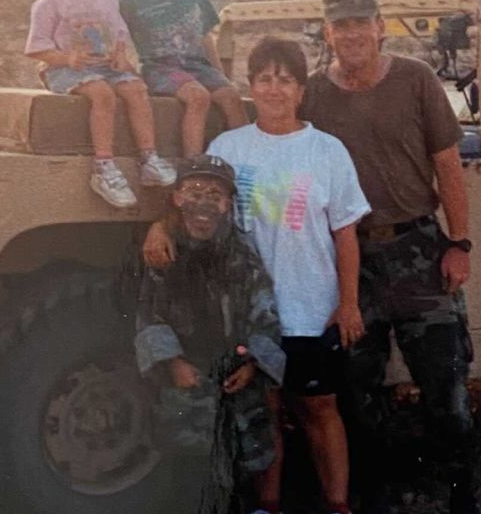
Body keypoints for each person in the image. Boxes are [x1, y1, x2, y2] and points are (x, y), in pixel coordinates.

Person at [144, 37, 371, 514]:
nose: (274, 89)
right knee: (262, 411)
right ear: (251, 87)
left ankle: (338, 503)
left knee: (318, 409)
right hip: (247, 315)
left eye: (285, 79)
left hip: (311, 307)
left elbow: (346, 235)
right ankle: (267, 502)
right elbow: (194, 206)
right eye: (264, 79)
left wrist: (347, 303)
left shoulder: (327, 151)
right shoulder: (229, 146)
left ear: (301, 90)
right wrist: (156, 226)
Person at [301, 0, 479, 514]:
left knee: (445, 387)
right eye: (340, 25)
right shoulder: (313, 93)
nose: (351, 33)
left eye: (361, 23)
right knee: (359, 391)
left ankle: (461, 493)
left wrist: (460, 243)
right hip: (351, 262)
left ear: (380, 27)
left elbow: (447, 165)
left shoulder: (416, 79)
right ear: (328, 33)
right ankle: (374, 491)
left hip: (420, 251)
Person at [134, 154, 285, 514]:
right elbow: (148, 312)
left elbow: (265, 310)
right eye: (194, 190)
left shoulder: (242, 251)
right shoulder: (164, 251)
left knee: (241, 470)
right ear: (177, 198)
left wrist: (252, 365)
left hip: (237, 377)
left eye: (215, 193)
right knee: (187, 472)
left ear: (228, 203)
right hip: (188, 379)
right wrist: (173, 364)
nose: (204, 201)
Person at [25, 0, 176, 208]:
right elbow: (36, 48)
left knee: (136, 89)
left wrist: (120, 54)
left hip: (105, 65)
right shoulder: (50, 1)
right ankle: (104, 167)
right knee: (102, 94)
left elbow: (118, 30)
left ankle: (149, 158)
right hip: (65, 70)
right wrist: (67, 57)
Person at [118, 0, 248, 158]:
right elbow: (116, 41)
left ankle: (250, 158)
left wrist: (220, 75)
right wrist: (131, 77)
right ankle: (193, 166)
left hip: (198, 66)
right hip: (162, 69)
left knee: (231, 97)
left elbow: (205, 36)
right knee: (198, 97)